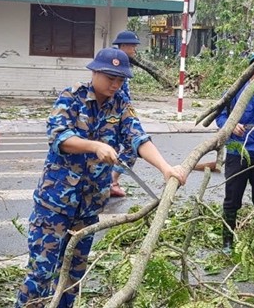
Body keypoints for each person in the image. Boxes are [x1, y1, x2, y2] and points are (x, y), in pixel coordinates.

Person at [15, 48, 186, 308]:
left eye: (121, 79)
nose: (115, 84)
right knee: (41, 275)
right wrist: (94, 146)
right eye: (110, 77)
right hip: (54, 206)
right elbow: (59, 138)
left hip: (88, 207)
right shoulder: (72, 97)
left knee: (73, 277)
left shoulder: (121, 105)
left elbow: (138, 138)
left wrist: (166, 168)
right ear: (94, 72)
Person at [215, 52, 254, 254]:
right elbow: (220, 118)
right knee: (233, 196)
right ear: (250, 71)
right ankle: (227, 240)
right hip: (237, 152)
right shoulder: (234, 93)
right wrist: (231, 126)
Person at [109, 30, 140, 197]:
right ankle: (111, 182)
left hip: (122, 114)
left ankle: (112, 181)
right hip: (114, 115)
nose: (134, 50)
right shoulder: (115, 63)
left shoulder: (123, 62)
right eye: (133, 46)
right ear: (124, 46)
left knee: (129, 147)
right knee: (131, 147)